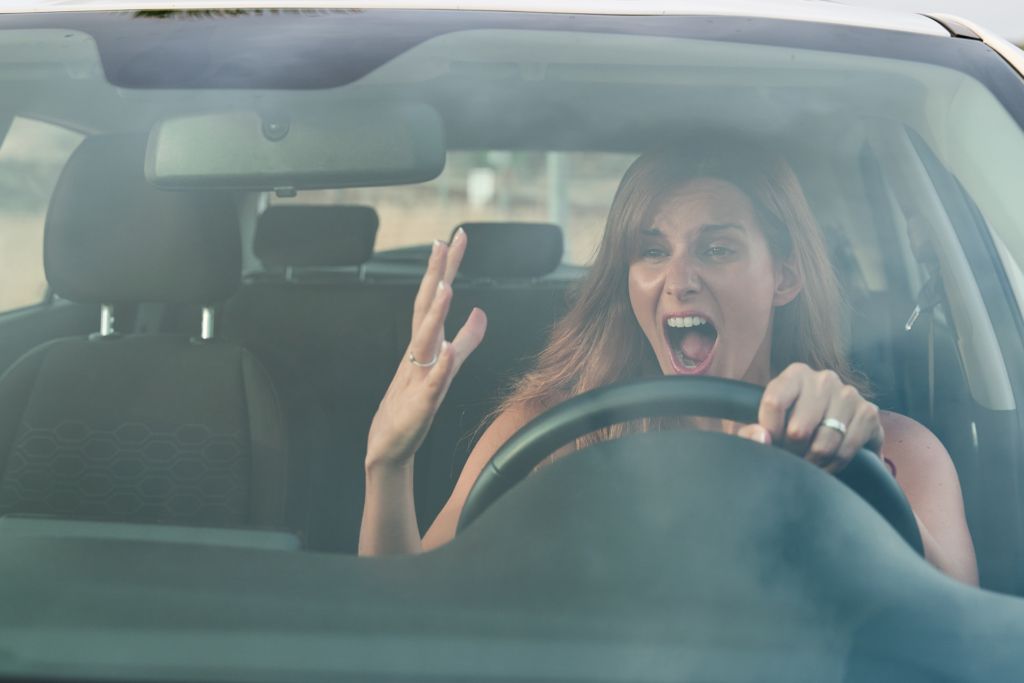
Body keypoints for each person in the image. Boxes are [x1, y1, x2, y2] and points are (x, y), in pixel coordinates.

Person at [358, 140, 978, 585]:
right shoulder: (545, 436)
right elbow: (397, 622)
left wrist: (856, 469)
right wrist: (387, 462)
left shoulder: (900, 453)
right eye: (652, 251)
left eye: (717, 248)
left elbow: (962, 644)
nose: (679, 280)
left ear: (784, 275)